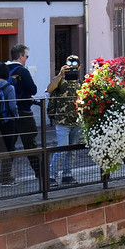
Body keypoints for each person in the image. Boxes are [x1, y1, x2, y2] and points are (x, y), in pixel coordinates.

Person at [7, 44, 43, 182]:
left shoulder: (4, 69)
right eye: (26, 56)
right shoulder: (23, 71)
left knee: (9, 144)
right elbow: (33, 90)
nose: (26, 59)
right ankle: (40, 173)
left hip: (9, 112)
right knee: (30, 144)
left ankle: (2, 175)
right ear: (20, 56)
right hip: (23, 112)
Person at [46, 56, 83, 185]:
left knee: (71, 151)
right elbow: (50, 89)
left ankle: (67, 175)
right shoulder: (60, 80)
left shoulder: (81, 82)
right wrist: (60, 75)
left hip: (77, 121)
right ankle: (51, 176)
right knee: (61, 149)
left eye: (74, 65)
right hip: (62, 121)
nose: (72, 68)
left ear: (79, 67)